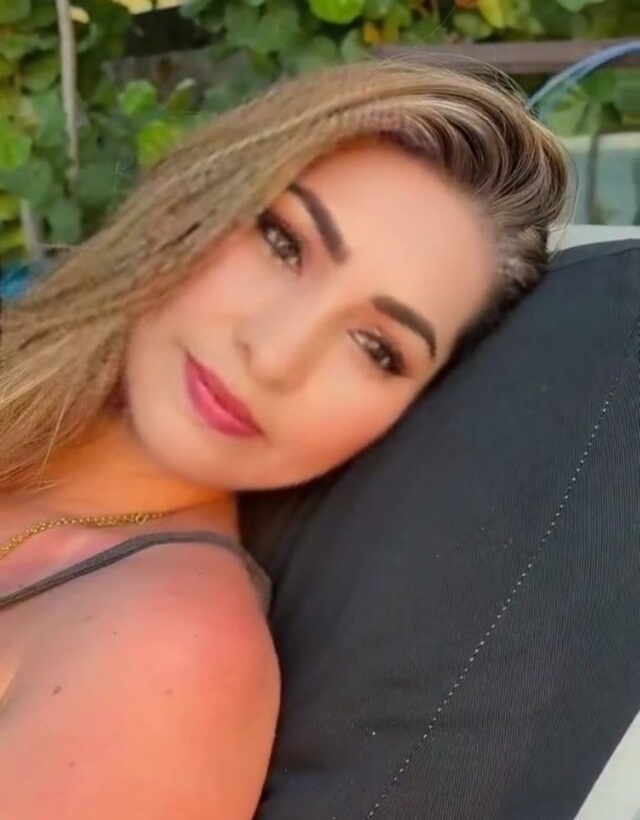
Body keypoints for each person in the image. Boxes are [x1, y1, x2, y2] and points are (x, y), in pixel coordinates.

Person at [0, 57, 570, 819]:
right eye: (283, 242)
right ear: (198, 193)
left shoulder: (170, 655)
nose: (274, 354)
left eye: (376, 348)